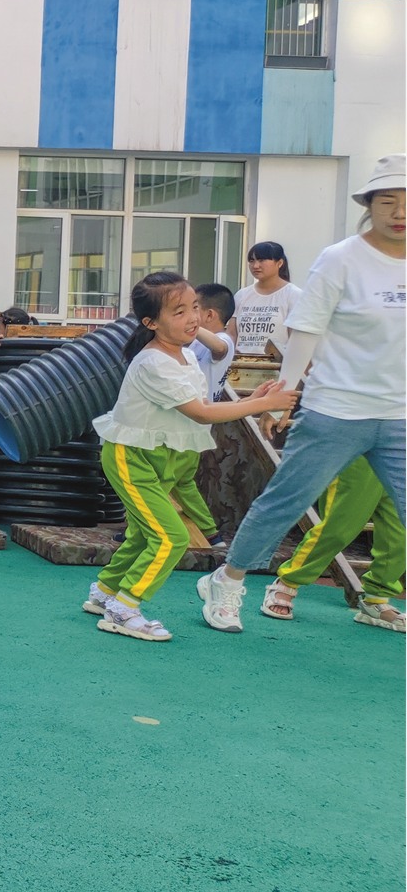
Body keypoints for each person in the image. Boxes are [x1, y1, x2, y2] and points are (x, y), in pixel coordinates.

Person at [198, 155, 406, 633]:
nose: (399, 212)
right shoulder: (341, 258)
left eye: (406, 202)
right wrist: (284, 396)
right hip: (335, 410)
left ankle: (378, 597)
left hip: (399, 416)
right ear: (369, 206)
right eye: (388, 201)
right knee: (284, 503)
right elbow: (305, 331)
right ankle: (226, 582)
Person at [88, 272, 297, 640]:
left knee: (142, 534)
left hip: (162, 458)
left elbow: (203, 405)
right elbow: (200, 414)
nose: (193, 318)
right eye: (179, 311)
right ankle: (125, 606)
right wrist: (264, 404)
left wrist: (251, 401)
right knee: (171, 537)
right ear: (151, 323)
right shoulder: (154, 363)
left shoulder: (185, 355)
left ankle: (104, 594)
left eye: (195, 307)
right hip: (132, 458)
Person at [260, 458, 403, 629]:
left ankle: (376, 600)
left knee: (399, 533)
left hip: (398, 450)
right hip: (360, 449)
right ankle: (288, 581)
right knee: (338, 528)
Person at [230, 241, 303, 356]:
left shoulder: (294, 295)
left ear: (279, 263)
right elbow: (232, 334)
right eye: (251, 261)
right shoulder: (242, 295)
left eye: (261, 260)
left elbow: (296, 340)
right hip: (239, 367)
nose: (255, 266)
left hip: (275, 368)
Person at [189, 284, 236, 401]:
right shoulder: (194, 340)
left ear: (209, 315)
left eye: (194, 308)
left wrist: (189, 324)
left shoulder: (224, 338)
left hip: (204, 413)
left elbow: (220, 348)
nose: (188, 313)